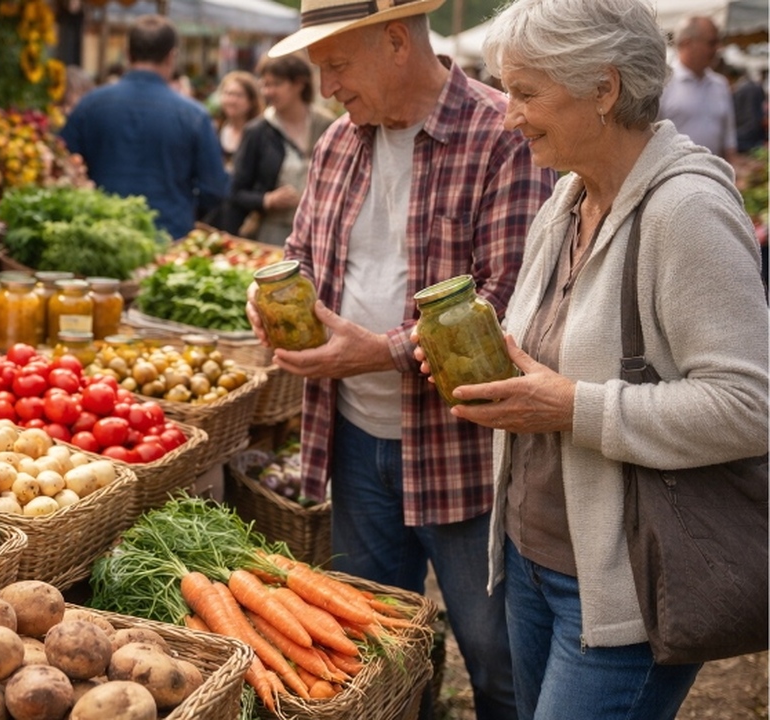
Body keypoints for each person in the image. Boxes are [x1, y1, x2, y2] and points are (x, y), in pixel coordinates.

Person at [415, 0, 767, 717]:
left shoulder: (686, 210)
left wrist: (570, 406)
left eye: (527, 92)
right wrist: (494, 373)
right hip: (530, 560)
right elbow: (551, 359)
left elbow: (749, 408)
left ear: (604, 89)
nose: (509, 114)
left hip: (623, 583)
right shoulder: (569, 195)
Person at [243, 0, 555, 717]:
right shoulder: (337, 143)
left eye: (336, 66)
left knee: (498, 659)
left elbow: (511, 308)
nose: (326, 88)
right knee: (373, 648)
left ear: (393, 42)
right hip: (354, 445)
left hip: (465, 448)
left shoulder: (500, 133)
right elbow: (297, 256)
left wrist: (375, 352)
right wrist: (266, 298)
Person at [60, 15, 229, 240]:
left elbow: (62, 168)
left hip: (99, 236)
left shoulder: (89, 105)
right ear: (172, 57)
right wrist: (180, 207)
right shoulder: (194, 115)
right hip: (168, 236)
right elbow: (215, 189)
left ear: (127, 53)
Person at [218, 55, 335, 245]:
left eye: (276, 84)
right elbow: (235, 192)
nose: (268, 91)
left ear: (299, 84)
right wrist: (268, 200)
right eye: (265, 84)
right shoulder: (258, 131)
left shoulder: (326, 125)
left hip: (320, 231)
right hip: (274, 234)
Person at [658, 15, 737, 161]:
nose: (718, 49)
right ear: (687, 43)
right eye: (711, 43)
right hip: (674, 179)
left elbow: (728, 139)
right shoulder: (662, 84)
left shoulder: (720, 85)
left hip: (716, 177)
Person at [212, 70, 262, 169]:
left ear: (252, 101)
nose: (232, 100)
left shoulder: (261, 134)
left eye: (239, 95)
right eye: (228, 94)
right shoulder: (215, 130)